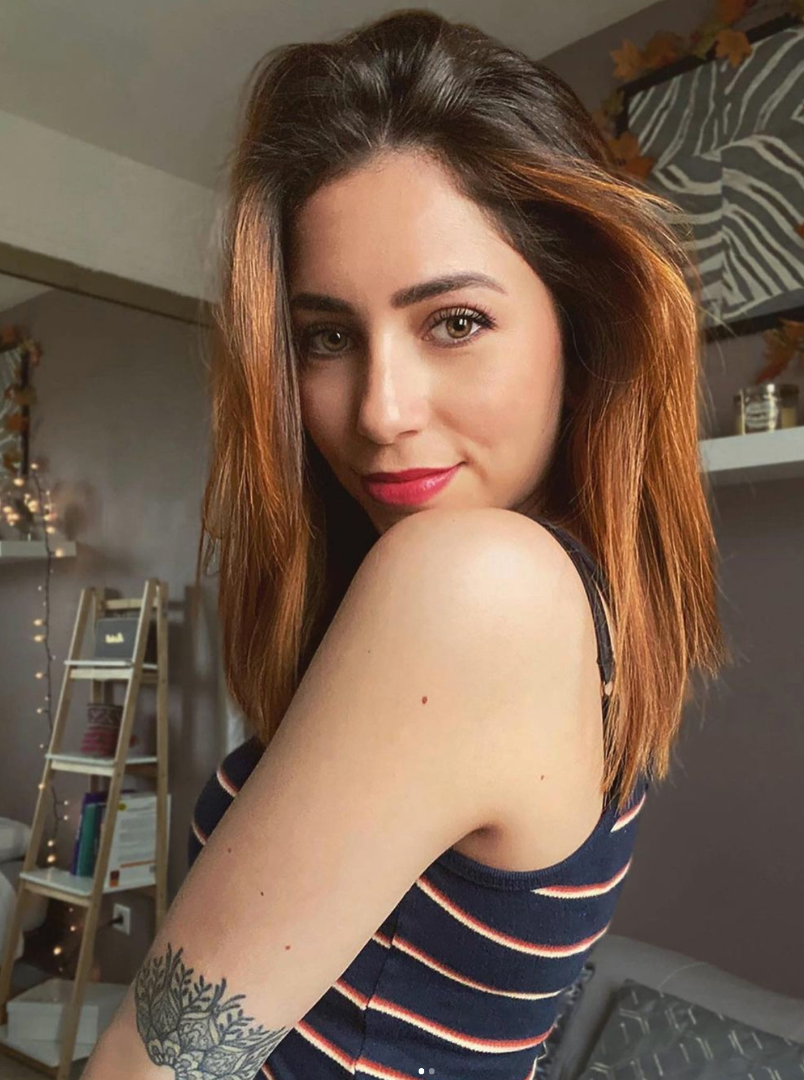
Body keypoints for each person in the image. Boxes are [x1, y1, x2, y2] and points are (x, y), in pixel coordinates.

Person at [80, 9, 730, 1080]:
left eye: (455, 321)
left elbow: (145, 1065)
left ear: (579, 327)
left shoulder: (479, 584)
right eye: (329, 337)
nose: (380, 411)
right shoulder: (579, 607)